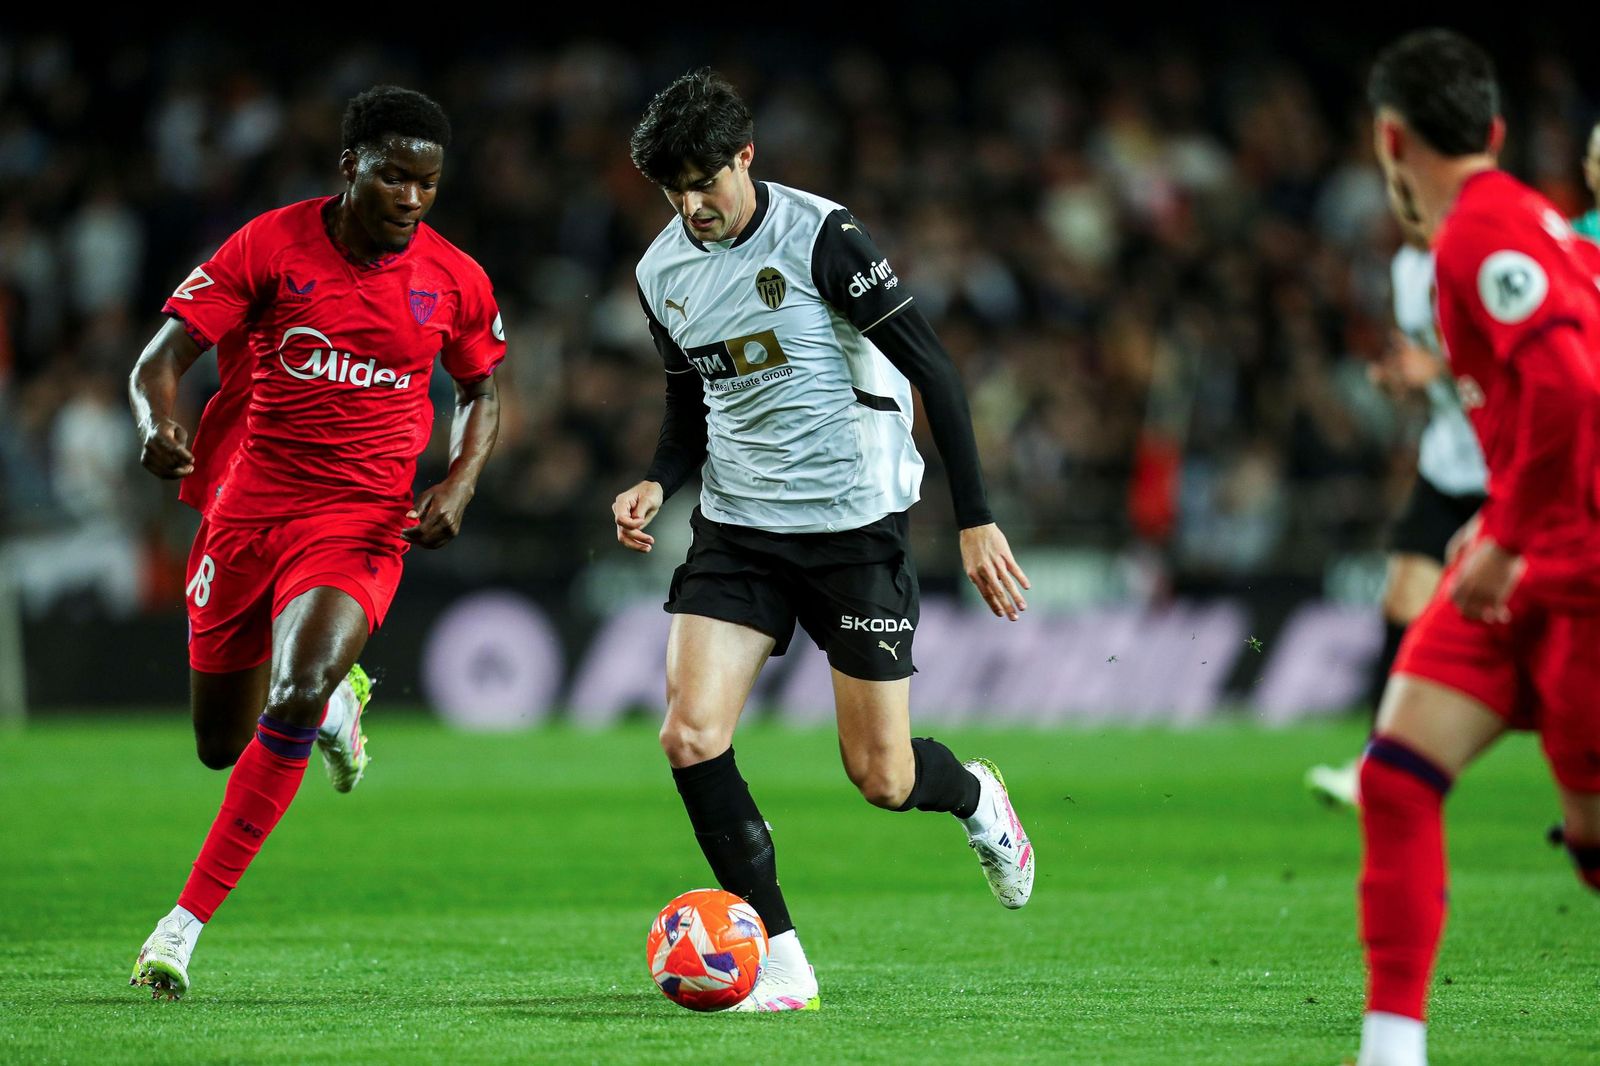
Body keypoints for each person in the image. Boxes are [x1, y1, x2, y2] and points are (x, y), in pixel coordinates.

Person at [611, 69, 1036, 1013]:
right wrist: (656, 478)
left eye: (706, 182)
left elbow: (936, 370)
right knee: (688, 734)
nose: (693, 206)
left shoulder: (822, 237)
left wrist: (975, 518)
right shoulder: (659, 272)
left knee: (882, 778)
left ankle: (973, 798)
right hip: (739, 529)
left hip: (853, 532)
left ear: (745, 159)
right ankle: (781, 959)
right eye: (673, 191)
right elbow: (692, 398)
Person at [126, 86, 506, 999]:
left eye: (428, 184)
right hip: (246, 511)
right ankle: (338, 709)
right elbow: (161, 360)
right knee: (222, 742)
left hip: (363, 518)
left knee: (291, 691)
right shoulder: (269, 245)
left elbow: (484, 390)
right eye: (394, 179)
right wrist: (153, 422)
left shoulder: (454, 277)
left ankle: (180, 929)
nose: (412, 201)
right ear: (351, 168)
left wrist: (457, 481)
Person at [1358, 30, 1600, 1066]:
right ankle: (1390, 1047)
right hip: (1515, 557)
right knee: (1395, 778)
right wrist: (1502, 511)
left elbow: (1572, 386)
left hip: (1573, 572)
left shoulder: (1477, 235)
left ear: (1389, 139)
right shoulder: (1530, 227)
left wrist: (1505, 529)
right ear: (1493, 132)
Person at [1305, 220, 1487, 810]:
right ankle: (1375, 766)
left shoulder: (1483, 255)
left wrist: (1441, 373)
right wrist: (1408, 382)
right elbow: (1434, 372)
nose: (1402, 200)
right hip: (1447, 465)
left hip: (1506, 464)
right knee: (1402, 603)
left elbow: (1520, 367)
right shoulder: (1408, 269)